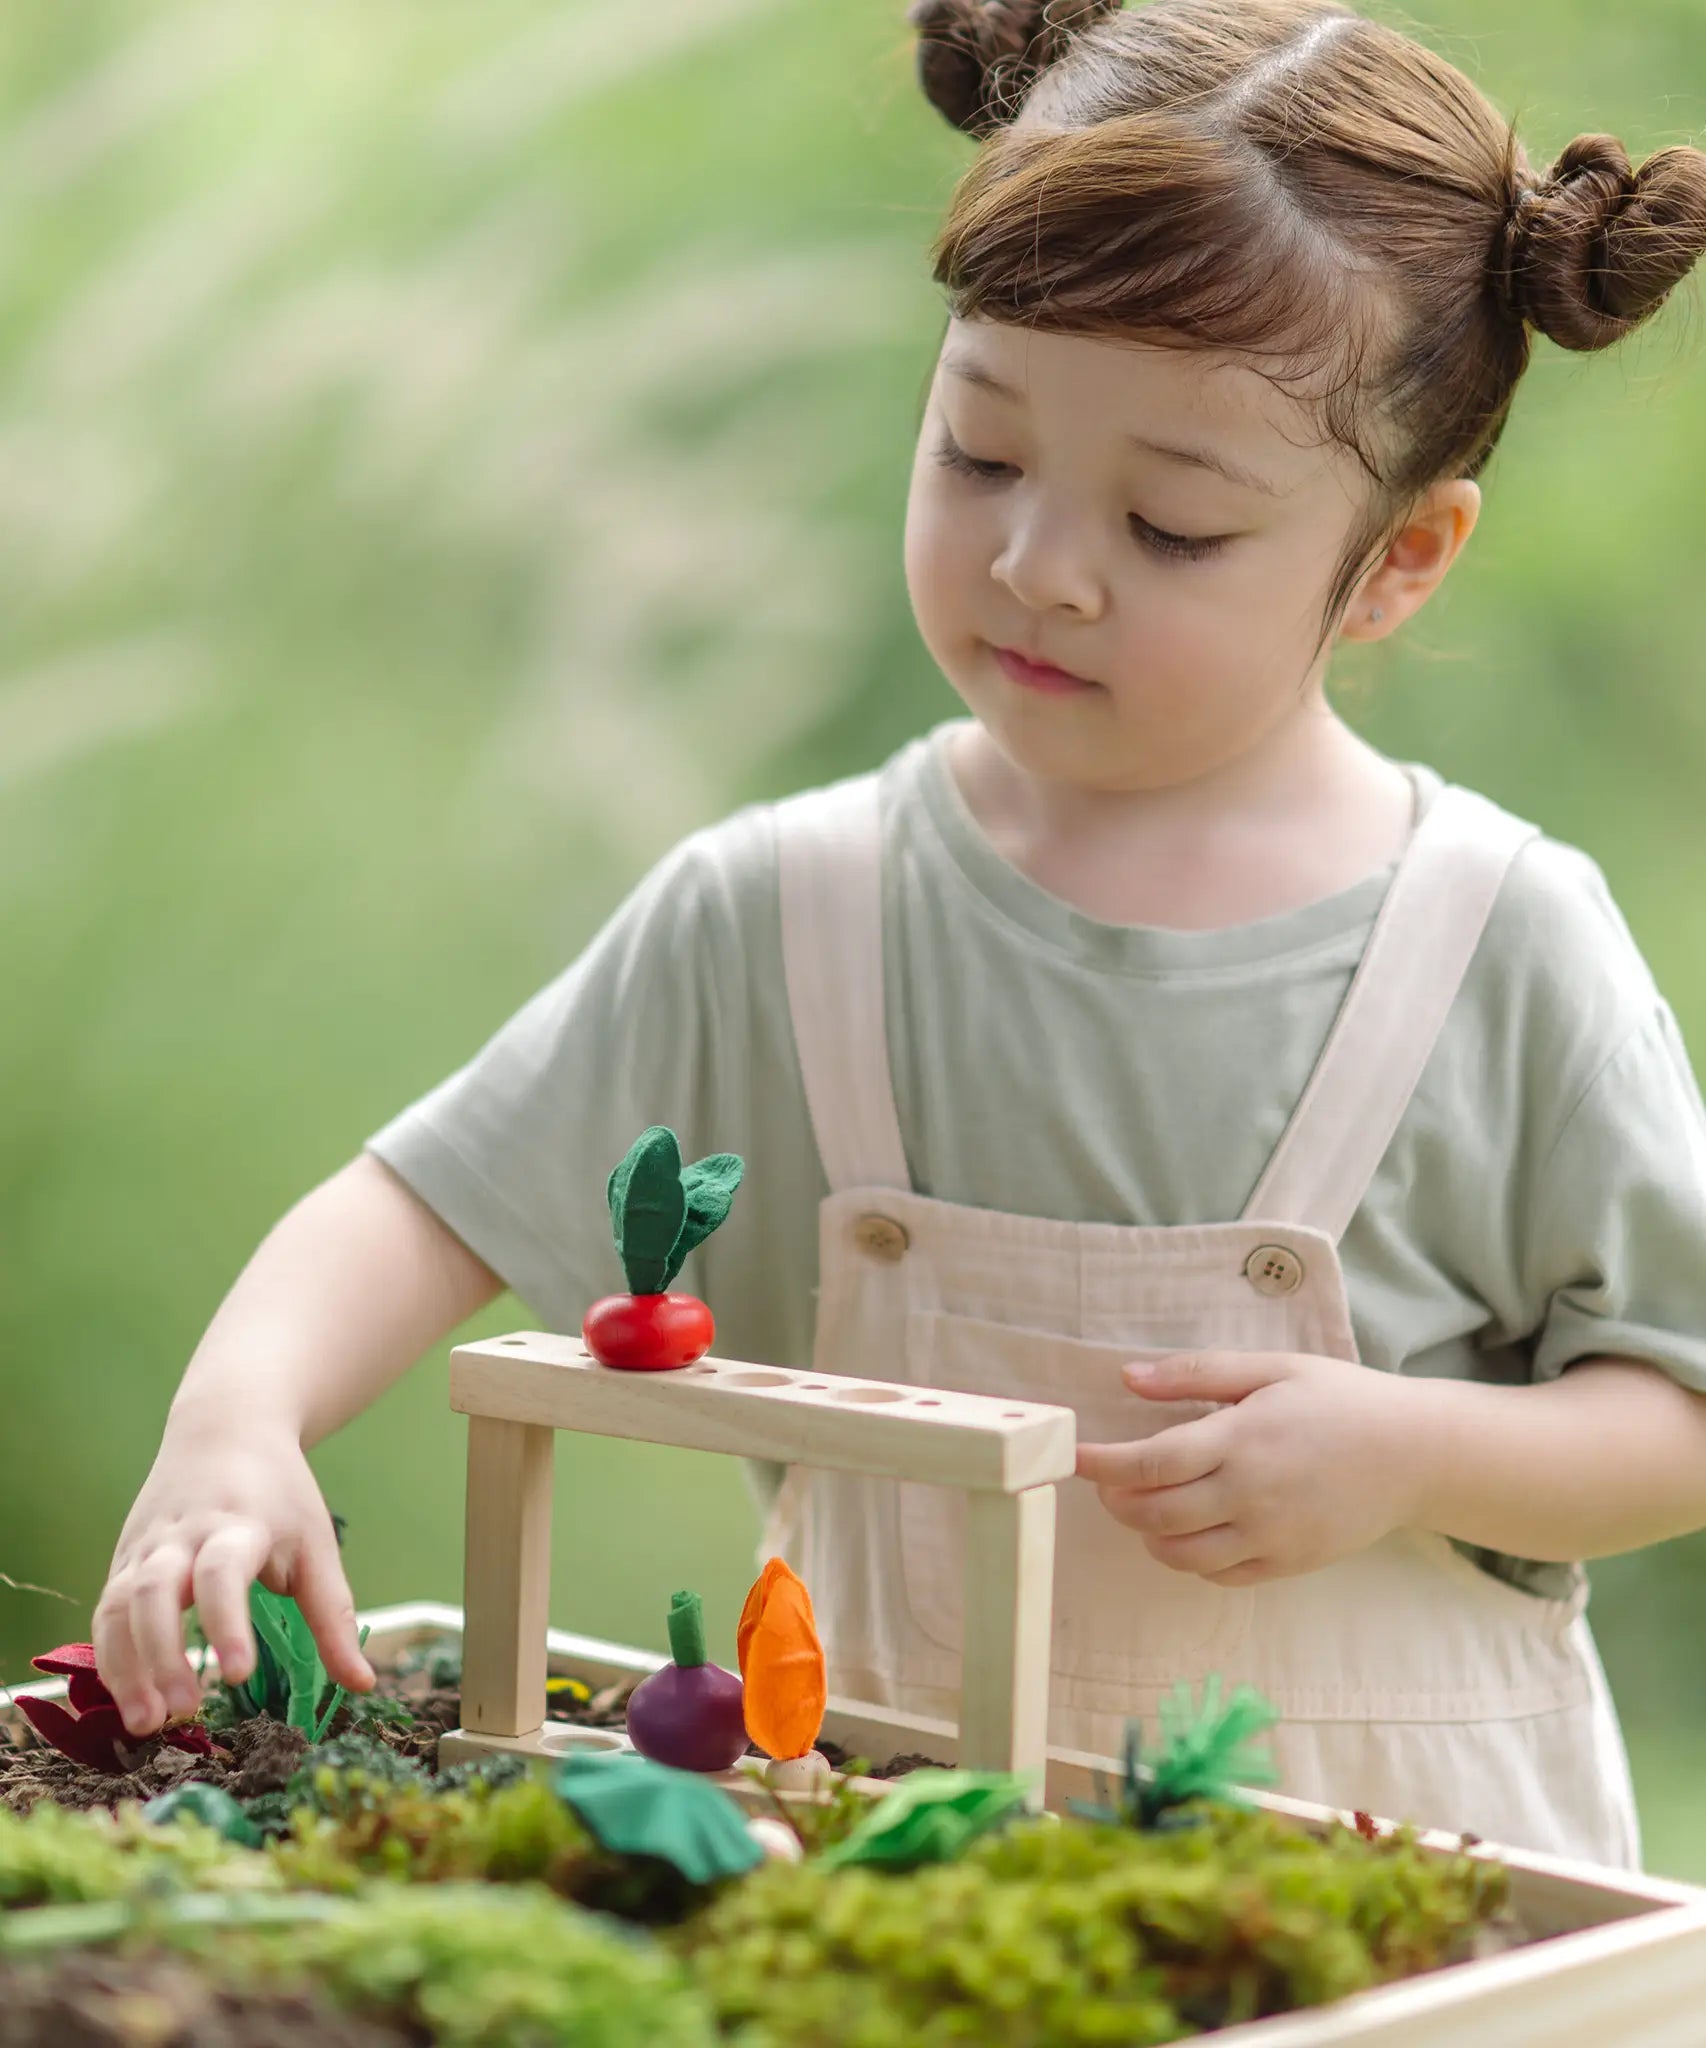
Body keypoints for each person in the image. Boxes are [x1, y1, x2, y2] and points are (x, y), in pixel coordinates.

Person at [92, 0, 1706, 1868]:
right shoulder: (793, 913)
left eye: (1171, 525)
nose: (1040, 564)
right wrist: (236, 1416)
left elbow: (1673, 1406)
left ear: (1403, 557)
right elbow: (425, 1200)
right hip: (881, 1896)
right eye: (978, 452)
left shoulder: (1497, 948)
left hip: (1396, 1913)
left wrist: (1415, 1456)